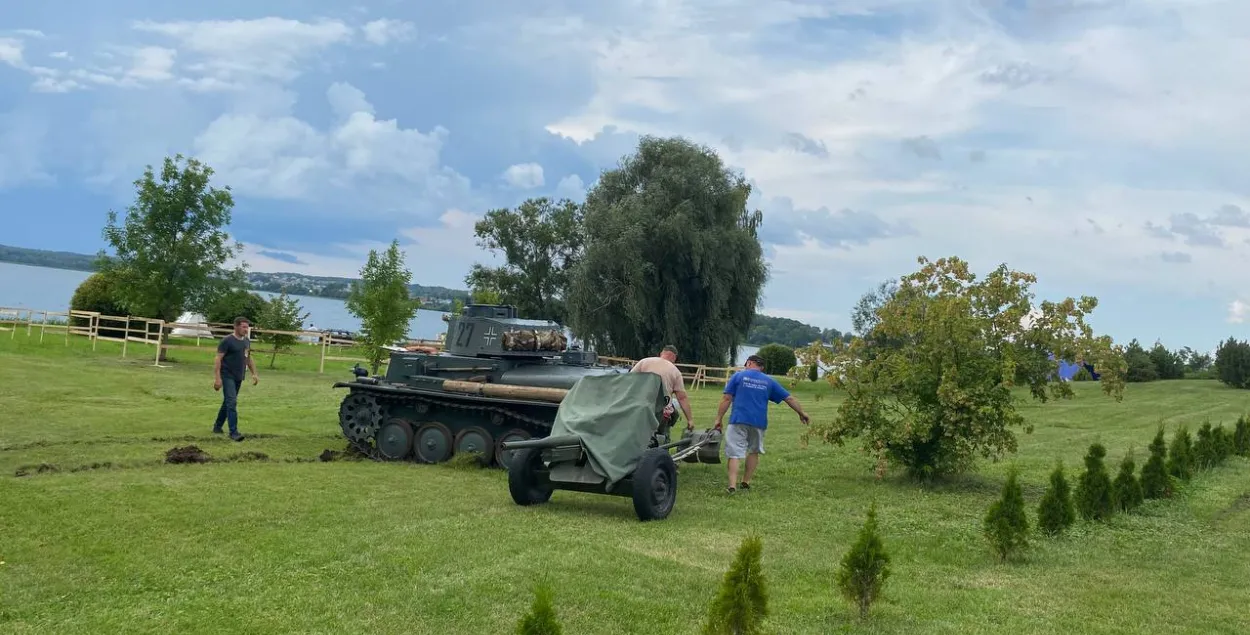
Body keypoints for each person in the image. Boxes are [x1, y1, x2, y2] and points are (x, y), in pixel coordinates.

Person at [714, 354, 810, 493]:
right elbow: (788, 398)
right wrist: (802, 413)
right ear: (762, 367)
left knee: (734, 452)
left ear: (749, 363)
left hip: (738, 419)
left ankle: (732, 485)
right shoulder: (769, 381)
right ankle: (746, 481)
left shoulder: (738, 377)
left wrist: (718, 418)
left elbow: (726, 399)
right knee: (754, 451)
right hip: (759, 422)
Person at [630, 345, 695, 431]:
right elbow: (682, 398)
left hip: (639, 409)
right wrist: (690, 420)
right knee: (661, 440)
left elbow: (629, 381)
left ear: (661, 353)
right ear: (674, 357)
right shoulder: (675, 372)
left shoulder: (643, 362)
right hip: (661, 413)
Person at [213, 316, 258, 441]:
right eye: (243, 327)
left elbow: (248, 358)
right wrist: (217, 378)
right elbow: (218, 359)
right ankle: (234, 432)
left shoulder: (246, 341)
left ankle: (217, 427)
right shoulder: (227, 341)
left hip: (239, 376)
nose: (246, 329)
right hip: (227, 375)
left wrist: (254, 373)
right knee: (232, 402)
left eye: (247, 327)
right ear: (236, 327)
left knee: (228, 402)